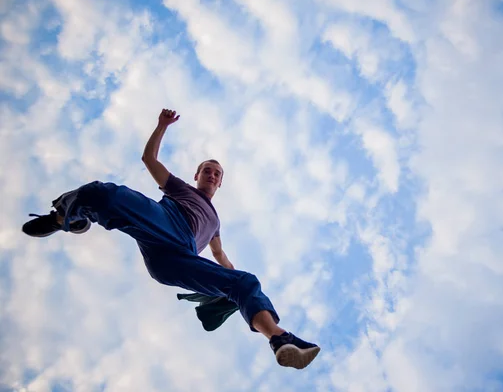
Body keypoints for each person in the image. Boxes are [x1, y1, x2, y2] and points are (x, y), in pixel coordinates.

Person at [22, 108, 320, 370]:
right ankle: (66, 216)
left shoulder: (215, 223)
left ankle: (280, 340)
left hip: (178, 258)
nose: (212, 175)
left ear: (221, 181)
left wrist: (230, 286)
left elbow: (221, 257)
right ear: (197, 174)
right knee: (105, 194)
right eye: (207, 170)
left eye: (217, 173)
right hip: (164, 223)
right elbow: (148, 159)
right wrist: (162, 125)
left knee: (244, 282)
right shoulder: (180, 188)